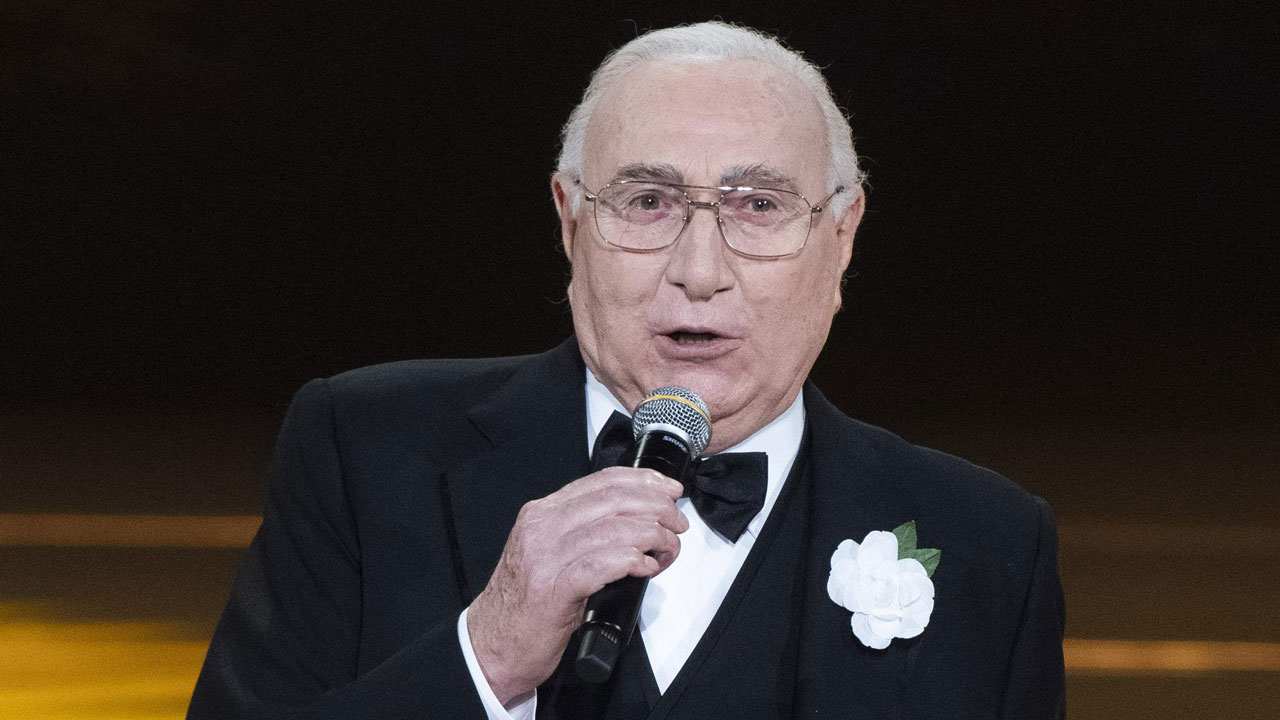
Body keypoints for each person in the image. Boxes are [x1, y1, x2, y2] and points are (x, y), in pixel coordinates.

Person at [188, 21, 1064, 720]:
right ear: (570, 222)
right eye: (648, 202)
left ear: (841, 239)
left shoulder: (990, 544)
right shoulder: (365, 451)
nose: (700, 270)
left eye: (758, 206)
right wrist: (486, 658)